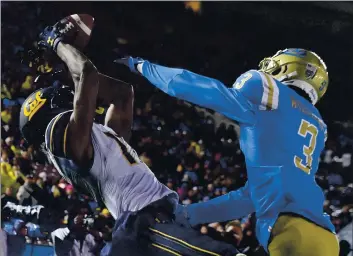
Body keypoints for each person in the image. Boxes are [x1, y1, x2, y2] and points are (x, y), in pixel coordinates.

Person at [19, 18, 243, 256]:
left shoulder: (98, 139)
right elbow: (86, 73)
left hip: (152, 220)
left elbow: (122, 94)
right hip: (142, 223)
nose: (67, 93)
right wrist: (57, 43)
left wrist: (68, 69)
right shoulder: (58, 139)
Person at [117, 48, 340, 256]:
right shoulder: (317, 124)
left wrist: (141, 66)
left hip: (291, 234)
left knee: (140, 231)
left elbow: (198, 88)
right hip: (326, 239)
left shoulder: (269, 92)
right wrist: (189, 214)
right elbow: (251, 197)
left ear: (284, 67)